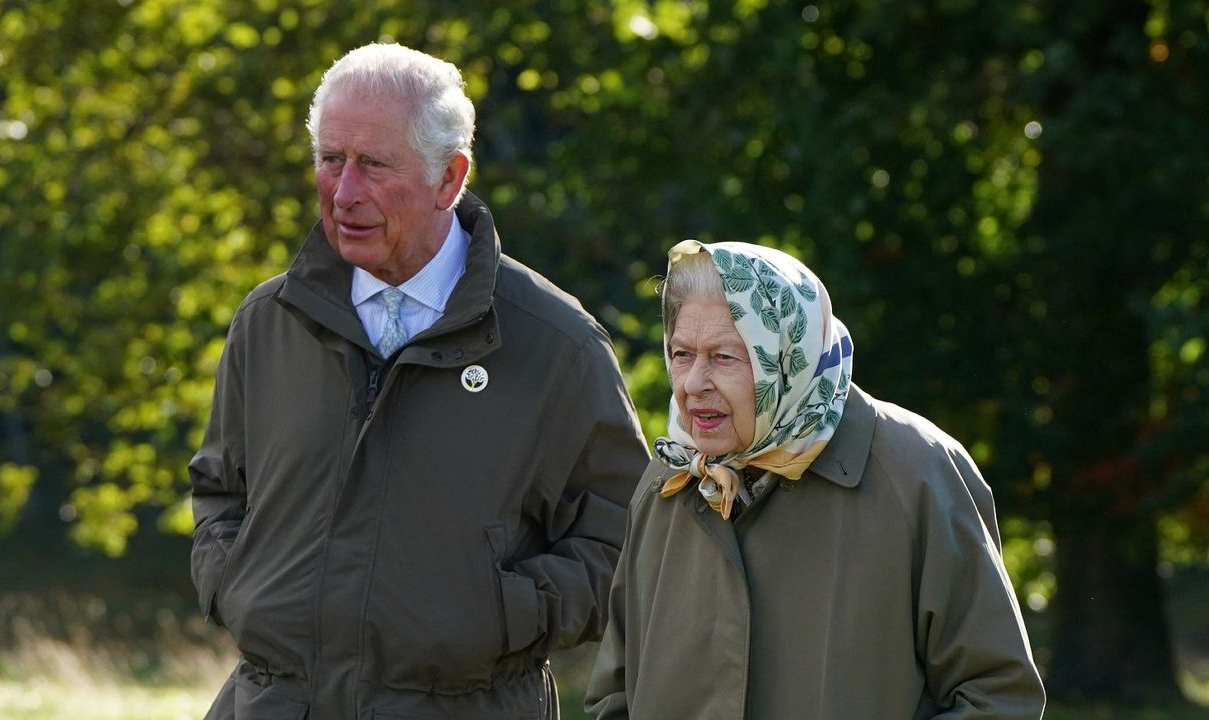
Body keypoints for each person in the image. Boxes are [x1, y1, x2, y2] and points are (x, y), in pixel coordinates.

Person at [188, 42, 649, 720]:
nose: (344, 192)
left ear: (449, 178)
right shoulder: (269, 320)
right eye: (330, 160)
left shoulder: (557, 346)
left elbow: (627, 541)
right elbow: (219, 491)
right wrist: (236, 585)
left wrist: (493, 615)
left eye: (373, 165)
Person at [585, 240, 1046, 719]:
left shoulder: (918, 473)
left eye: (724, 357)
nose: (692, 383)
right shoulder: (670, 479)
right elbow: (615, 698)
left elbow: (997, 698)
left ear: (788, 358)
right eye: (681, 354)